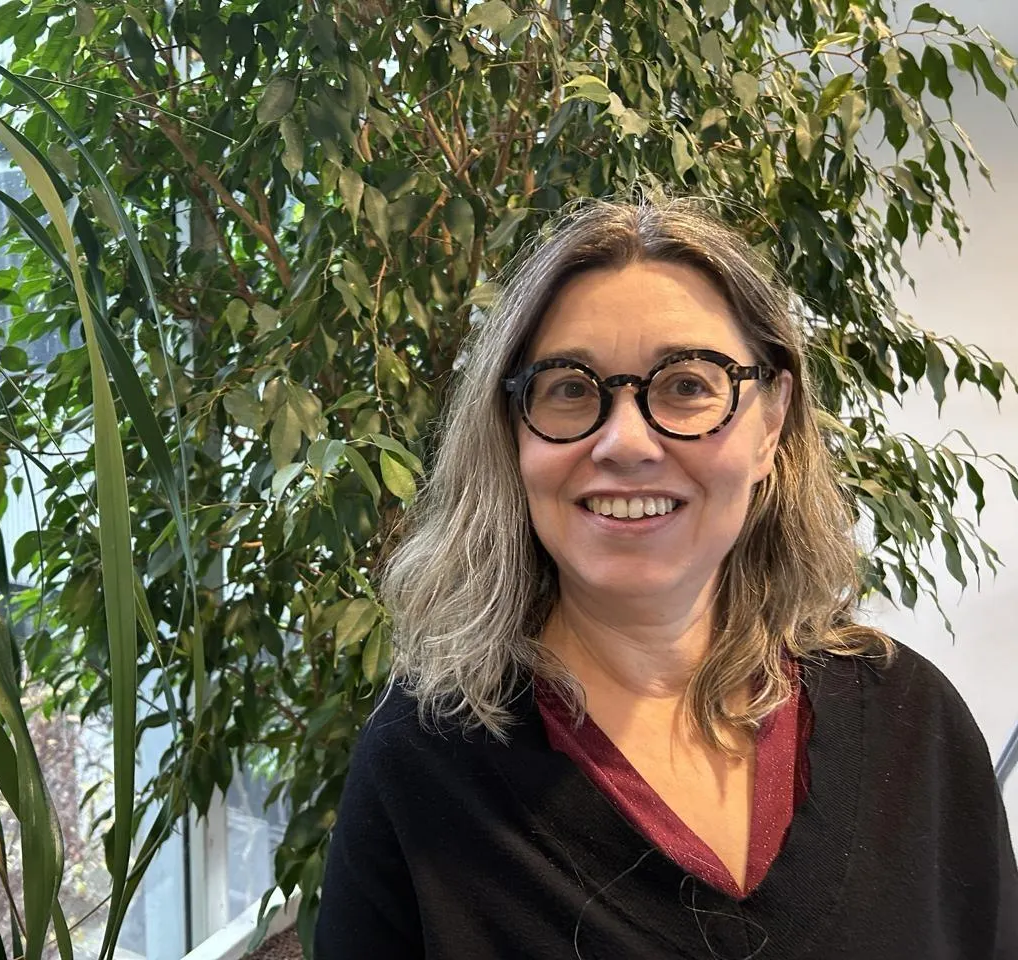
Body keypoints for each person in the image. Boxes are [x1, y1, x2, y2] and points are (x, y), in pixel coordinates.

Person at [314, 198, 1018, 959]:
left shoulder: (913, 723)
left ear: (771, 423)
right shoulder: (420, 767)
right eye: (569, 387)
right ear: (513, 433)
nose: (625, 442)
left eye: (686, 385)